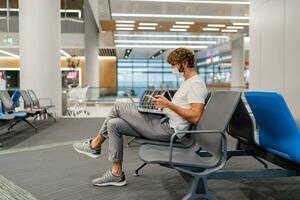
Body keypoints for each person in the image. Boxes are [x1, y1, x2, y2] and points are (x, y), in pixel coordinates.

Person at [73, 47, 208, 187]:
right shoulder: (187, 82)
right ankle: (116, 173)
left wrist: (169, 105)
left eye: (174, 65)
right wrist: (162, 106)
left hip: (171, 131)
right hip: (164, 122)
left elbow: (196, 117)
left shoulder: (195, 84)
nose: (172, 68)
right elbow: (183, 110)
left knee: (118, 107)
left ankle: (94, 145)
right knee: (113, 124)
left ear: (185, 63)